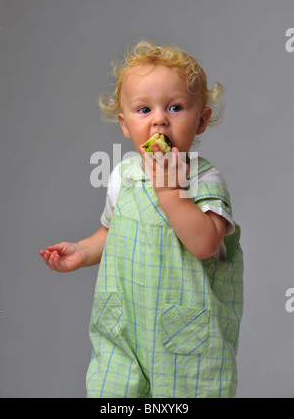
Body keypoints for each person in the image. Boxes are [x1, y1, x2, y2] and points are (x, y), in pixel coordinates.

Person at [39, 40, 243, 398]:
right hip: (125, 332)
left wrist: (169, 191)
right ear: (124, 124)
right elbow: (111, 231)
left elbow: (206, 244)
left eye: (176, 107)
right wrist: (83, 252)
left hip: (184, 338)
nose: (160, 119)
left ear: (202, 120)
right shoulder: (123, 174)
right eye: (144, 109)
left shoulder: (203, 179)